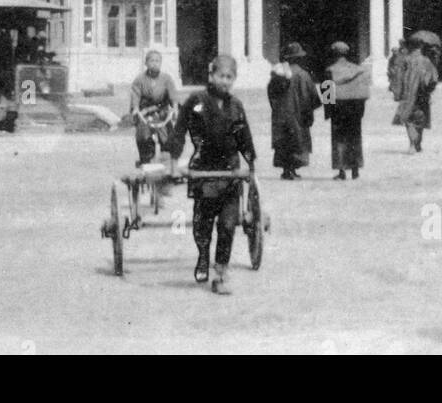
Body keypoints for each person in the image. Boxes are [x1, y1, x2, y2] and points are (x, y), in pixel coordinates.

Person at [170, 54, 256, 295]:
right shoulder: (196, 101)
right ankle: (202, 256)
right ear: (211, 75)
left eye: (230, 77)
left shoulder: (236, 106)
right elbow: (179, 131)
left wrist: (251, 164)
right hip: (203, 171)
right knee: (203, 225)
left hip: (229, 171)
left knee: (228, 225)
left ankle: (220, 273)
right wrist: (173, 161)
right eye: (221, 76)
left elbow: (244, 137)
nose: (225, 81)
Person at [267, 42, 321, 180]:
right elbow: (312, 96)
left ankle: (286, 170)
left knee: (284, 142)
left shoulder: (278, 75)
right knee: (297, 142)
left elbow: (271, 94)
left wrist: (276, 108)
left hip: (281, 115)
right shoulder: (303, 75)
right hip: (298, 115)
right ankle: (292, 170)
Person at [323, 41, 369, 180]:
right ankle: (355, 170)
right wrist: (361, 110)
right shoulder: (358, 69)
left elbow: (327, 96)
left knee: (339, 140)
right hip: (355, 109)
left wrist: (328, 112)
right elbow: (363, 93)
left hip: (338, 110)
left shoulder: (330, 71)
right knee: (355, 139)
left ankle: (342, 171)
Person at [128, 50, 179, 166]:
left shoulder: (167, 79)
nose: (154, 63)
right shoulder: (139, 79)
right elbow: (135, 95)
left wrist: (175, 108)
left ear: (160, 63)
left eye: (157, 61)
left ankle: (167, 162)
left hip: (162, 113)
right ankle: (146, 161)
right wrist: (135, 108)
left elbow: (173, 95)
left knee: (168, 138)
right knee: (143, 137)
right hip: (145, 113)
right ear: (146, 63)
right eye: (151, 61)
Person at [390, 36, 438, 153]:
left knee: (409, 119)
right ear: (421, 46)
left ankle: (412, 144)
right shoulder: (427, 61)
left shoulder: (406, 60)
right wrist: (429, 90)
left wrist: (398, 93)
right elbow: (434, 78)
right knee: (420, 119)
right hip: (422, 94)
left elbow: (398, 77)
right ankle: (418, 144)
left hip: (408, 94)